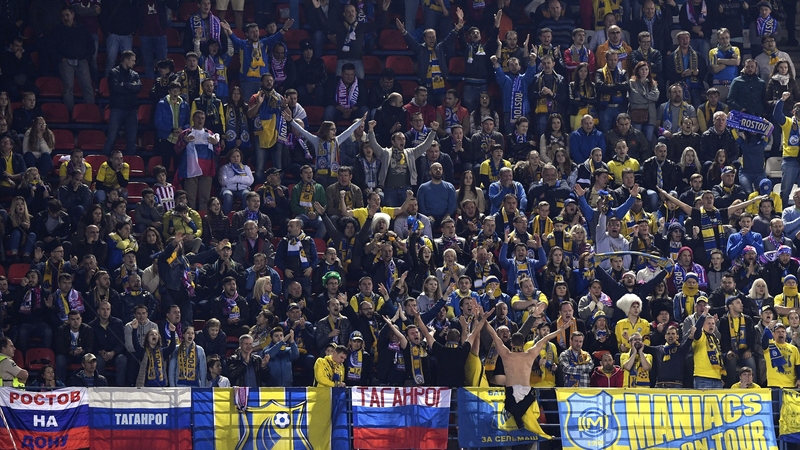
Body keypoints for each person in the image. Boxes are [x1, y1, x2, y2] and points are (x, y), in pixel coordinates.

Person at [484, 317, 571, 437]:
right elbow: (545, 338)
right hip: (527, 393)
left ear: (511, 343)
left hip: (510, 393)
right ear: (523, 342)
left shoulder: (506, 355)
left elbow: (494, 335)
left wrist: (483, 318)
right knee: (530, 427)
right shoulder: (530, 354)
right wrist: (561, 329)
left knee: (511, 426)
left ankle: (518, 421)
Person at [54, 6, 95, 113]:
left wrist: (87, 58)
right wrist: (60, 58)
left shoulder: (82, 28)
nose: (65, 18)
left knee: (88, 87)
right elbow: (51, 46)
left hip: (82, 60)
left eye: (67, 15)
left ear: (73, 15)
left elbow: (91, 44)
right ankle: (70, 114)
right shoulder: (58, 29)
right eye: (63, 16)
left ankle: (91, 112)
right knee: (68, 89)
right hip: (66, 61)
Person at [103, 50, 142, 156]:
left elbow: (138, 88)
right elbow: (115, 89)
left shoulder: (135, 74)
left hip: (131, 110)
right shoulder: (113, 72)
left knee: (131, 140)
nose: (134, 63)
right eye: (133, 60)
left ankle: (130, 164)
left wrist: (124, 84)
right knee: (111, 138)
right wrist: (130, 87)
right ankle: (104, 163)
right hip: (117, 109)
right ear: (126, 60)